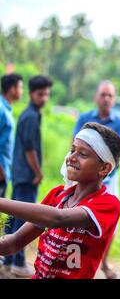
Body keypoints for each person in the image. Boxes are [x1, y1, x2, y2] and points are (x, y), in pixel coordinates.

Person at [0, 122, 120, 279]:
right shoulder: (57, 195)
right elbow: (14, 242)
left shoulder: (108, 204)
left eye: (83, 154)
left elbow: (58, 218)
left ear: (104, 168)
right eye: (72, 150)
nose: (71, 157)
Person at [73, 80, 120, 278]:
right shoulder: (85, 117)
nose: (106, 99)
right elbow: (76, 142)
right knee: (76, 213)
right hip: (84, 175)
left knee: (107, 221)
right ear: (96, 97)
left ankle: (102, 261)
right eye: (103, 94)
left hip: (110, 177)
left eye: (110, 95)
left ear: (114, 100)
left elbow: (119, 149)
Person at [3, 75, 52, 277]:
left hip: (20, 174)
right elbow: (30, 149)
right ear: (32, 94)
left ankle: (8, 259)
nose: (44, 98)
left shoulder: (28, 114)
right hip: (27, 175)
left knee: (15, 217)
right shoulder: (31, 116)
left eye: (47, 94)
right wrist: (38, 173)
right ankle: (18, 261)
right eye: (40, 94)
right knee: (25, 218)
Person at [0, 74, 23, 198]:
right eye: (20, 87)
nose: (22, 91)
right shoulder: (1, 109)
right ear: (12, 89)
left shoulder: (6, 109)